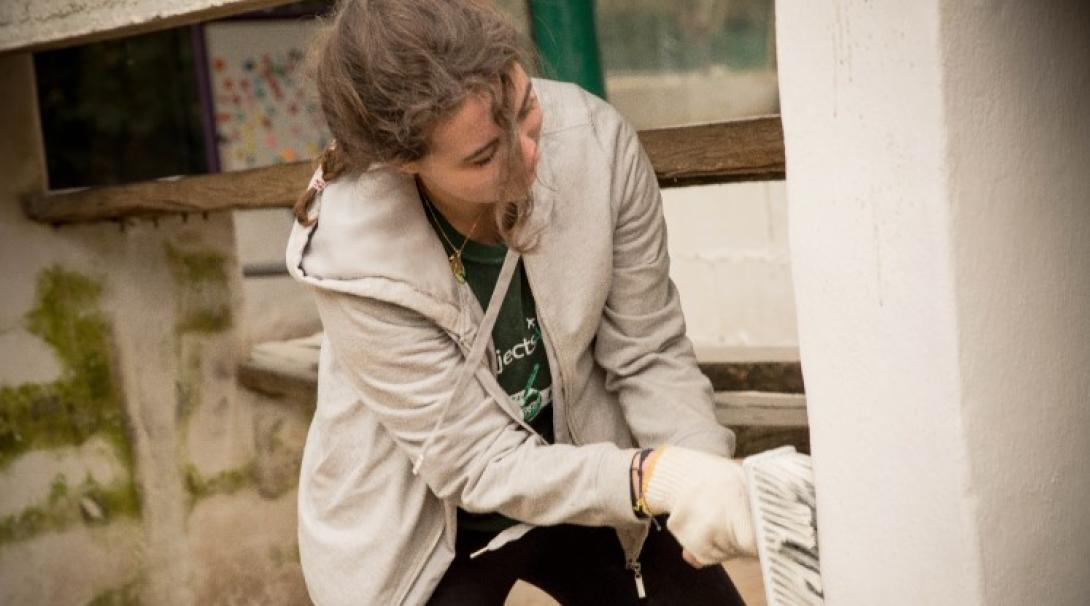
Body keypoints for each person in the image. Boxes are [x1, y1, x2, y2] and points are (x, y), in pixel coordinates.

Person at [286, 1, 757, 604]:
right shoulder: (348, 256)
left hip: (586, 464)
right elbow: (476, 463)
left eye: (527, 108)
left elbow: (648, 351)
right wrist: (649, 478)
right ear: (404, 163)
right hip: (431, 517)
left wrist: (701, 478)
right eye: (484, 156)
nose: (529, 155)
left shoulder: (596, 142)